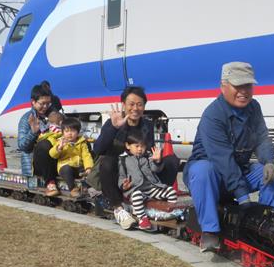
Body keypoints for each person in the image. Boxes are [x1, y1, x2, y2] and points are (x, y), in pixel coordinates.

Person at [183, 62, 274, 252]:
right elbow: (223, 160)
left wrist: (270, 161)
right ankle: (210, 231)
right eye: (238, 86)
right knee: (202, 169)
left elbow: (262, 140)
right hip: (215, 177)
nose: (244, 91)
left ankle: (271, 225)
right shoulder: (213, 115)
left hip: (238, 171)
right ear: (223, 86)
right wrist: (243, 200)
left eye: (248, 86)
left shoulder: (254, 108)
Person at [91, 86, 179, 230]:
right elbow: (98, 149)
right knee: (107, 161)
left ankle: (155, 198)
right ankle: (118, 208)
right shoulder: (112, 123)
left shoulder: (147, 125)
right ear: (123, 105)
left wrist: (157, 159)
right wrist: (114, 127)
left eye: (140, 104)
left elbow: (148, 152)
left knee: (172, 160)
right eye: (131, 104)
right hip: (119, 173)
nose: (135, 108)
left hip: (141, 171)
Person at [118, 130, 177, 230]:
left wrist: (157, 161)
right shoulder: (124, 160)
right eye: (137, 146)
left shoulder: (147, 157)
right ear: (128, 146)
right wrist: (123, 185)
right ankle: (142, 218)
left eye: (142, 146)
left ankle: (169, 212)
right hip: (136, 189)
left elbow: (155, 169)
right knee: (136, 196)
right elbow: (121, 176)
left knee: (171, 191)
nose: (140, 149)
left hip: (152, 187)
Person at [17, 84, 59, 196]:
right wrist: (33, 132)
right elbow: (22, 146)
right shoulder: (27, 118)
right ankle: (50, 183)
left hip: (55, 158)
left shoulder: (54, 116)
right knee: (44, 144)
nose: (45, 106)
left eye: (48, 103)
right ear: (33, 102)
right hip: (35, 163)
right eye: (42, 103)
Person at [49, 117, 94, 198]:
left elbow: (86, 156)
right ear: (62, 132)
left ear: (78, 132)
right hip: (65, 167)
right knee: (67, 169)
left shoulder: (82, 143)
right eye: (67, 131)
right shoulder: (60, 142)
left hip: (78, 167)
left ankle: (87, 187)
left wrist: (88, 167)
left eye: (73, 131)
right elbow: (52, 154)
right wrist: (59, 148)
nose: (70, 134)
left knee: (88, 171)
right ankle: (72, 189)